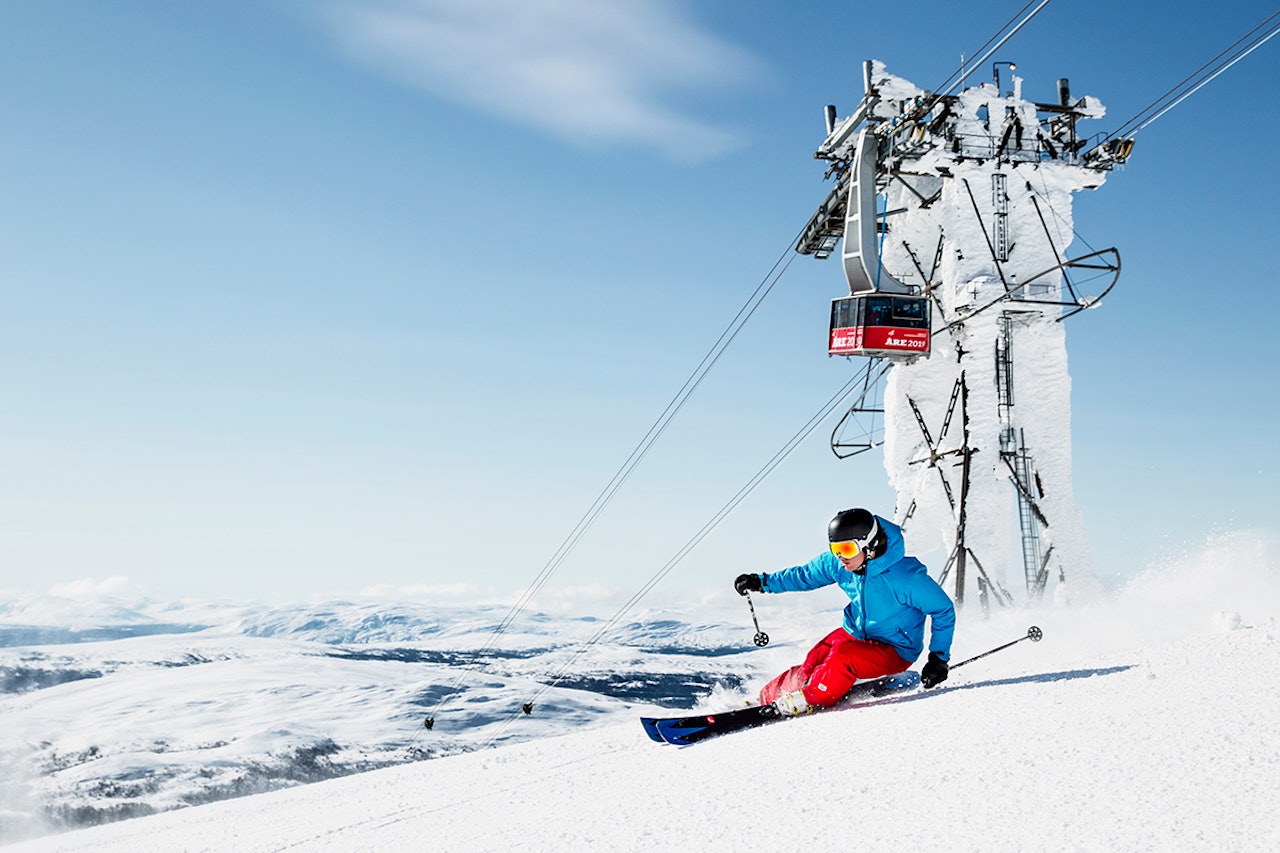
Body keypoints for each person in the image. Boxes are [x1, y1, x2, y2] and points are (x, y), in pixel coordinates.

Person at [734, 508, 955, 716]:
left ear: (870, 545)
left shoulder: (905, 577)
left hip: (895, 649)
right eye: (835, 549)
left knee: (842, 659)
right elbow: (804, 575)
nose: (841, 557)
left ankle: (811, 698)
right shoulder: (841, 565)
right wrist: (762, 582)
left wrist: (938, 658)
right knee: (815, 659)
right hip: (857, 635)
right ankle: (767, 697)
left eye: (847, 549)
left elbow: (943, 610)